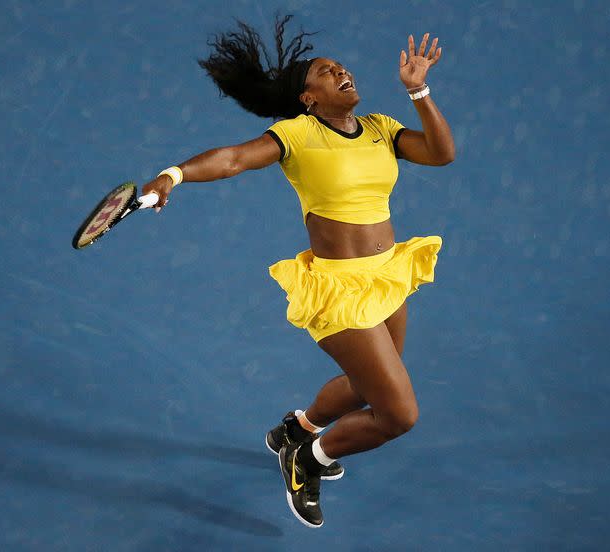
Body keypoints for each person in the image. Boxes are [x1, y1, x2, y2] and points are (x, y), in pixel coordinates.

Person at [141, 15, 454, 528]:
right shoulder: (297, 134)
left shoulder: (381, 127)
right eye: (327, 73)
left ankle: (298, 428)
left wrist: (419, 90)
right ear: (309, 98)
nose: (342, 72)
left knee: (363, 384)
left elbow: (441, 154)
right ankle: (309, 458)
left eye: (341, 67)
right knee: (399, 415)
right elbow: (234, 159)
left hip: (386, 276)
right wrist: (173, 174)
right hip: (337, 289)